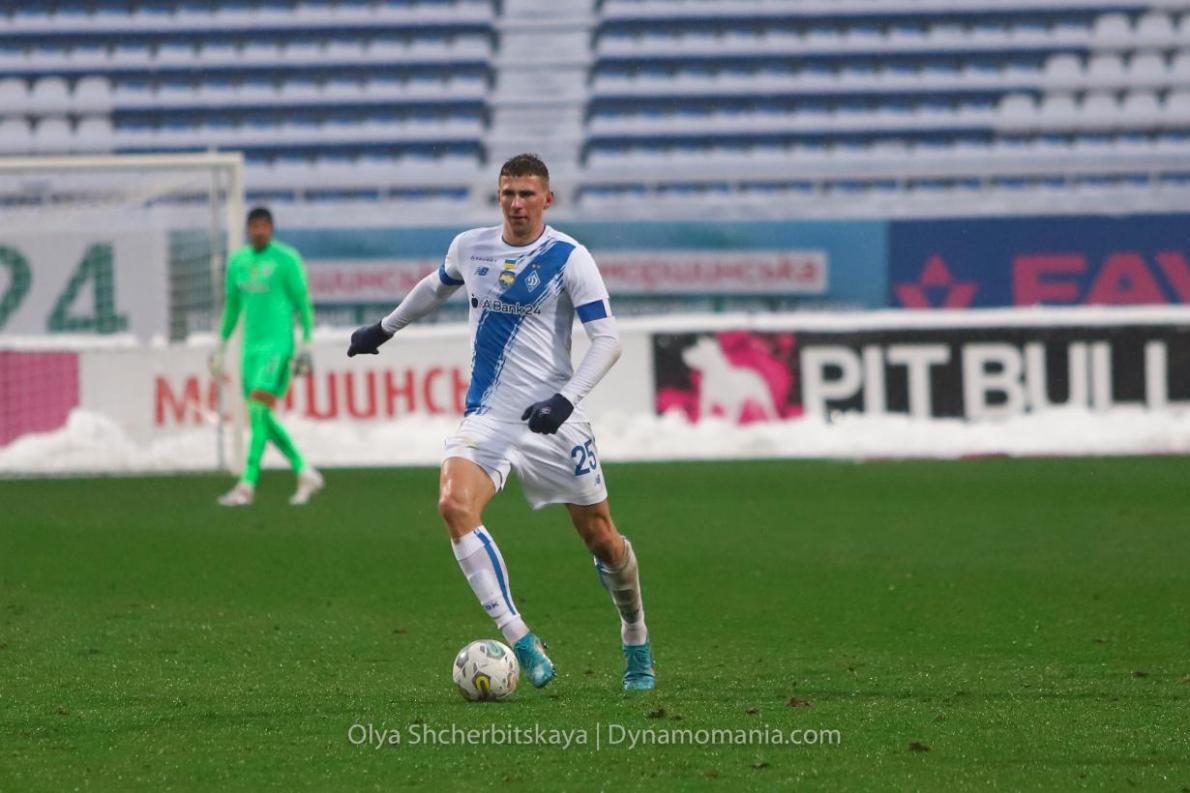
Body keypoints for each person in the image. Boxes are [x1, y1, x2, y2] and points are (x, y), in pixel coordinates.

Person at [347, 153, 655, 690]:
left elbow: (608, 340)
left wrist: (565, 400)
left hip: (553, 421)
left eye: (527, 194)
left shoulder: (569, 257)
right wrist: (384, 328)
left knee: (603, 540)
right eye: (508, 193)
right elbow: (435, 286)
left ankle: (635, 634)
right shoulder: (471, 246)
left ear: (547, 199)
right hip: (487, 417)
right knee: (453, 505)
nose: (516, 204)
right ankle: (522, 639)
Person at [211, 207, 323, 507]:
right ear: (248, 229)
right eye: (254, 226)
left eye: (264, 226)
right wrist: (220, 344)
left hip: (277, 346)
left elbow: (302, 301)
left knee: (259, 410)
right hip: (250, 349)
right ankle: (304, 470)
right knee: (259, 415)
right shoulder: (238, 262)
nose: (259, 231)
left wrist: (307, 343)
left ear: (271, 229)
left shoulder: (286, 259)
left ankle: (247, 483)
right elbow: (233, 307)